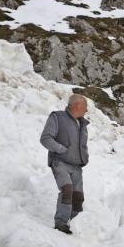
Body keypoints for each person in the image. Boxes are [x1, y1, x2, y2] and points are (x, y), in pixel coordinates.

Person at [40, 94, 90, 234]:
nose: (86, 111)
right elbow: (45, 138)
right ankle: (61, 223)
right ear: (76, 105)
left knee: (78, 199)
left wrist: (84, 157)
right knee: (67, 189)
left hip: (77, 167)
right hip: (60, 162)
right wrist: (61, 150)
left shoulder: (83, 124)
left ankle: (72, 223)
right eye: (85, 107)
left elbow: (82, 145)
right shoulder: (57, 117)